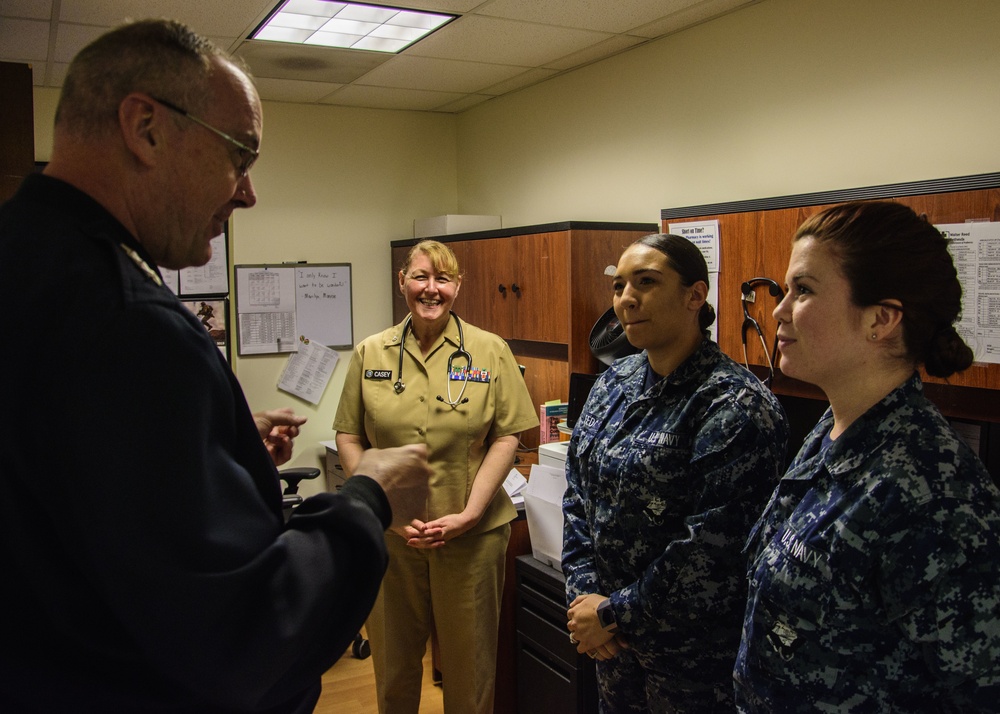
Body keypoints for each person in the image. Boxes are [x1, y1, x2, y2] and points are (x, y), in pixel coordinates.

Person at [0, 19, 430, 714]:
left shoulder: (28, 260)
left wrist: (217, 449)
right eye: (240, 154)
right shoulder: (127, 321)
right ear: (146, 128)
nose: (248, 192)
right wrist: (366, 499)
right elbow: (245, 635)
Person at [734, 201, 1000, 711]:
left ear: (881, 319)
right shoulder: (835, 431)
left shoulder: (934, 495)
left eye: (804, 290)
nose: (779, 310)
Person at [562, 233, 789, 712]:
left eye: (646, 282)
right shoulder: (612, 384)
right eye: (620, 285)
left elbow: (711, 547)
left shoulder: (733, 405)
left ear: (694, 296)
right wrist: (584, 597)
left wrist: (612, 613)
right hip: (612, 647)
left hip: (692, 662)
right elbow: (578, 494)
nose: (627, 298)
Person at [334, 239, 539, 713]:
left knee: (470, 677)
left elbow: (507, 438)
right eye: (421, 277)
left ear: (458, 286)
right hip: (390, 540)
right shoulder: (371, 353)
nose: (431, 289)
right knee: (394, 671)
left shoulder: (491, 352)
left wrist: (469, 513)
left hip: (471, 540)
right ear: (401, 280)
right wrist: (379, 506)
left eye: (443, 279)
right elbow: (349, 436)